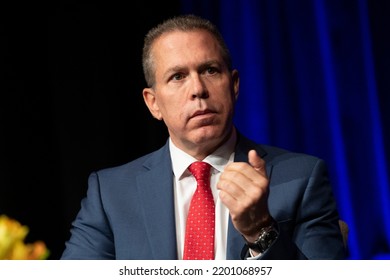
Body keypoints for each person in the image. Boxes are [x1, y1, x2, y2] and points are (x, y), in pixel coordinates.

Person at [61, 14, 346, 260]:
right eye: (177, 76)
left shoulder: (302, 178)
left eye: (210, 70)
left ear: (234, 84)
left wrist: (261, 231)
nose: (198, 89)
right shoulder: (111, 193)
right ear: (153, 103)